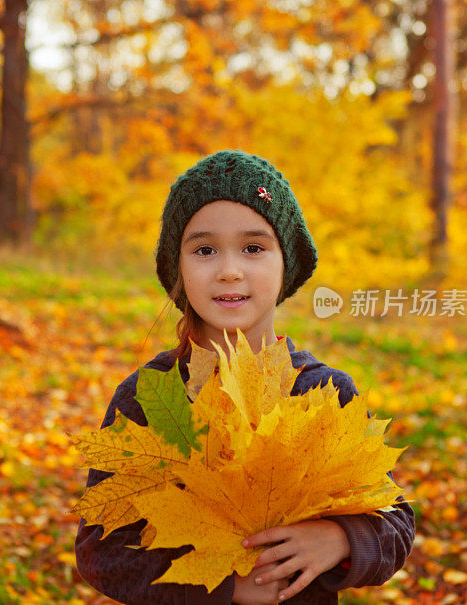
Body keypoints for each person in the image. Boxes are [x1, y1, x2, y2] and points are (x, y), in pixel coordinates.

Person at [74, 150, 415, 604]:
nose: (229, 270)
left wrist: (339, 537)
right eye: (204, 250)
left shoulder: (321, 392)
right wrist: (225, 585)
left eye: (253, 248)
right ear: (178, 267)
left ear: (285, 262)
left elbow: (394, 520)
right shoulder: (151, 396)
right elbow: (102, 550)